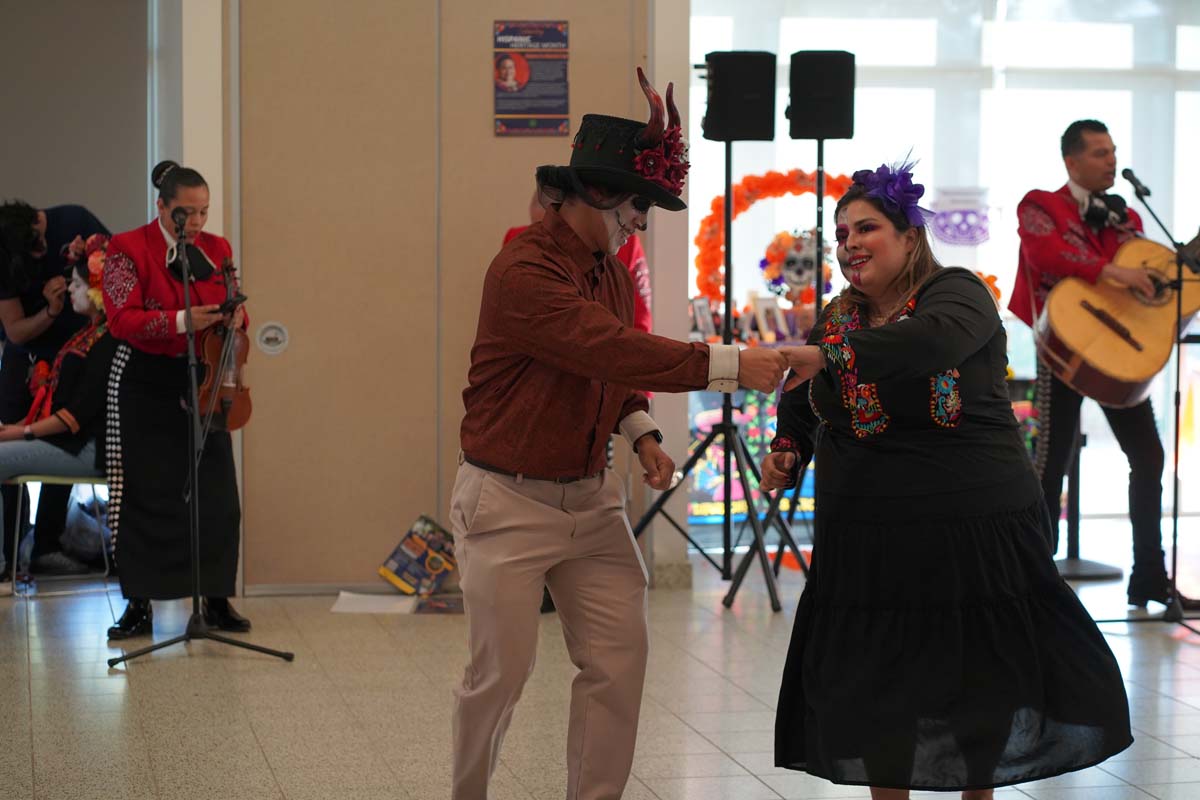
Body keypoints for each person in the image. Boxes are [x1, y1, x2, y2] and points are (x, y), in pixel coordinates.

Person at [451, 68, 787, 800]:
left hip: (591, 502)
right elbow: (604, 347)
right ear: (597, 193)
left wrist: (639, 433)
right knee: (497, 678)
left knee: (619, 661)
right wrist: (730, 364)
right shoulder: (523, 272)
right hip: (507, 502)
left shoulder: (609, 271)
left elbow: (611, 366)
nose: (643, 220)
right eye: (640, 204)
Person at [763, 163, 1131, 798]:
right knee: (879, 691)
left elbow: (927, 345)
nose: (849, 242)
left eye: (866, 227)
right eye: (841, 232)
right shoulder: (837, 318)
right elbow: (802, 399)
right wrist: (787, 448)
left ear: (910, 236)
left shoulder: (958, 294)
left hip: (972, 530)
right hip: (869, 536)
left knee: (977, 686)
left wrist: (831, 355)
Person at [1011, 119, 1186, 609]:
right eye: (1099, 153)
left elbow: (1144, 274)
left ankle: (1149, 576)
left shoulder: (1126, 215)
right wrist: (1115, 272)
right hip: (1062, 346)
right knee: (1051, 465)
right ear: (1071, 161)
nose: (1111, 160)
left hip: (1117, 352)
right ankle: (1035, 587)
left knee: (1149, 457)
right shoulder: (1040, 204)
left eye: (1112, 151)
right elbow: (1047, 253)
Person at [101, 160, 250, 639]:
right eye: (187, 213)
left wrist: (233, 320)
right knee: (146, 492)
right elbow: (121, 321)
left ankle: (217, 599)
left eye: (205, 212)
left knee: (217, 494)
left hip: (203, 379)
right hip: (146, 379)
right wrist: (185, 320)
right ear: (162, 206)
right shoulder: (126, 249)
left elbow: (238, 309)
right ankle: (139, 605)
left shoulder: (217, 248)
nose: (198, 224)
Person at [0, 237, 116, 597]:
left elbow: (74, 417)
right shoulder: (88, 333)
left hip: (85, 447)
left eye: (79, 285)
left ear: (97, 293)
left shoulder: (107, 341)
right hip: (68, 440)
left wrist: (20, 432)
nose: (71, 290)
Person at [506, 188, 654, 334]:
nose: (548, 235)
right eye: (539, 226)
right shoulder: (520, 248)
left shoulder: (626, 250)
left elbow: (641, 322)